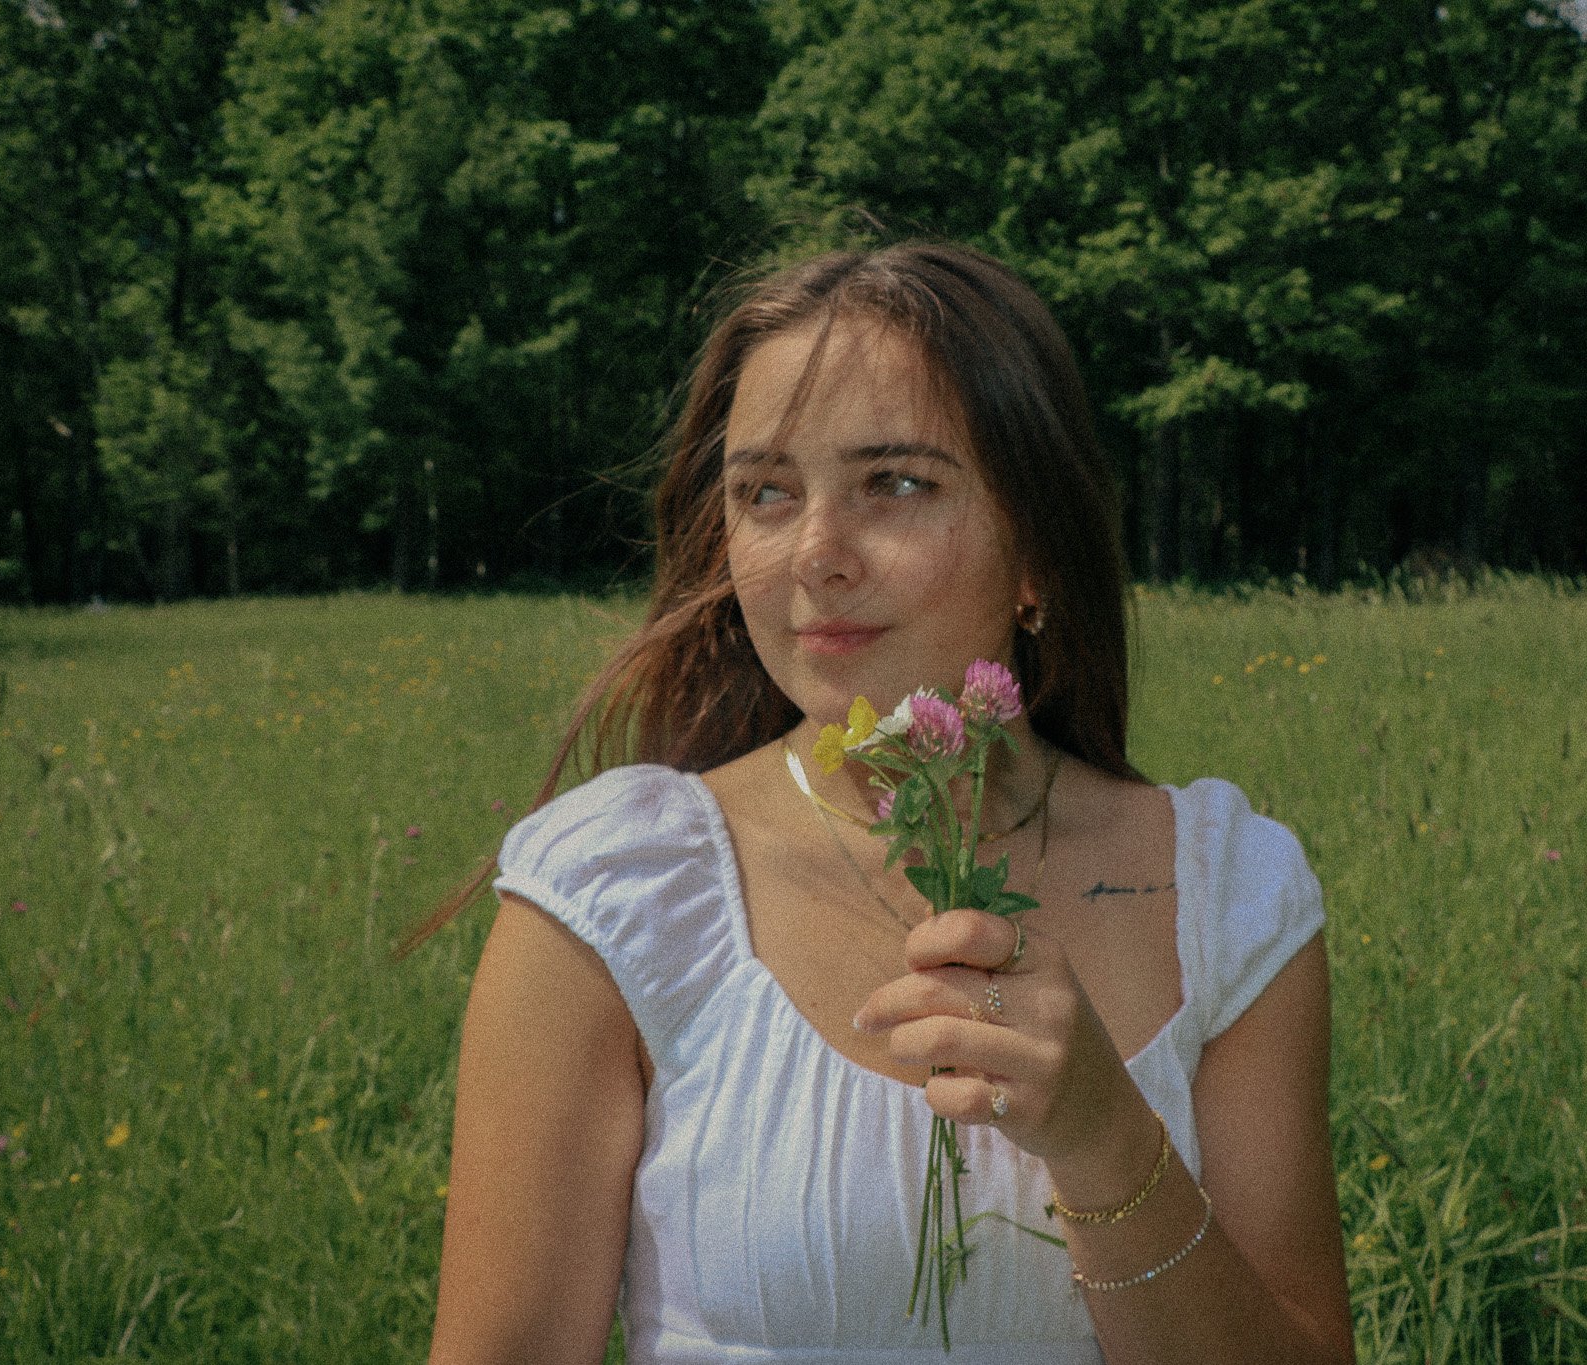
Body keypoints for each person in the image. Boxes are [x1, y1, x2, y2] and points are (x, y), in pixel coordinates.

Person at [422, 241, 1355, 1363]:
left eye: (897, 483)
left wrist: (1106, 1138)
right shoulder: (613, 893)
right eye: (766, 492)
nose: (816, 555)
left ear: (1038, 551)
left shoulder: (1225, 894)